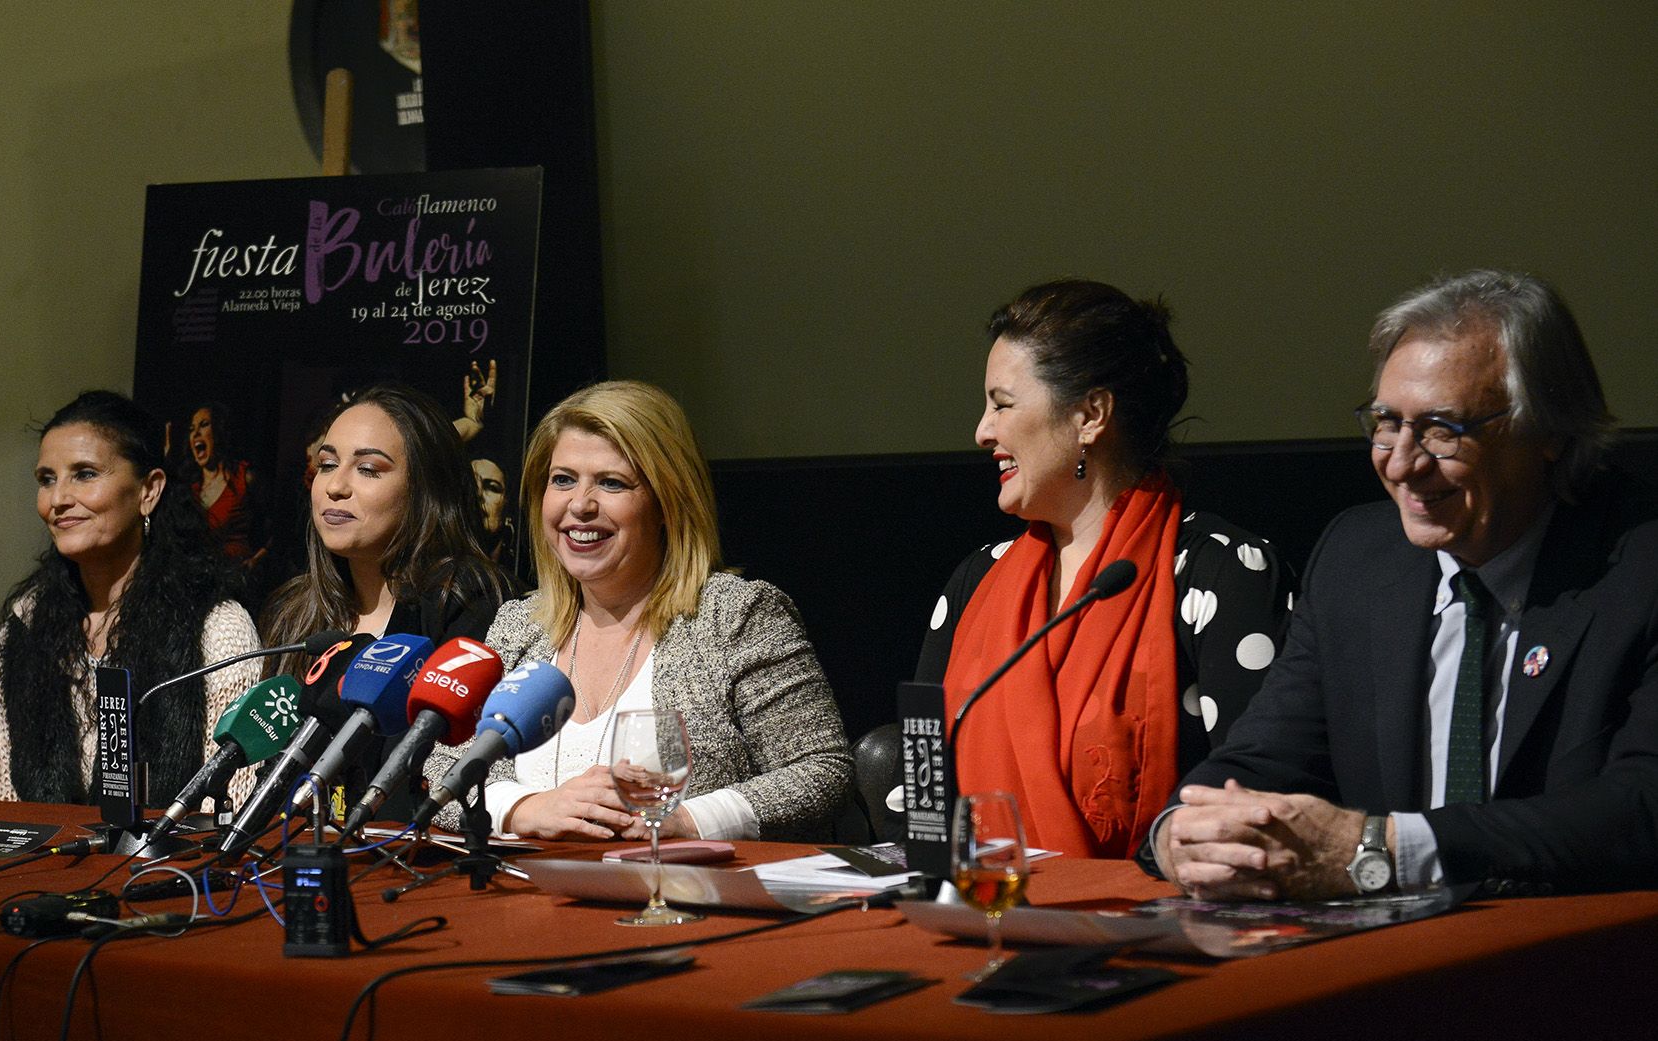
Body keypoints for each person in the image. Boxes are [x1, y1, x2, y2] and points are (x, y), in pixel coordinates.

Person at [1151, 268, 1658, 899]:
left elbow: (1640, 809)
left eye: (1443, 429)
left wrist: (1387, 848)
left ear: (1547, 430)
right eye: (1386, 422)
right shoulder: (1357, 560)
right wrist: (1183, 835)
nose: (1400, 463)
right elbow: (1264, 760)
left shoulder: (1638, 566)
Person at [918, 280, 1290, 859]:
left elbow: (1258, 799)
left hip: (1157, 925)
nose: (982, 430)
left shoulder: (1219, 572)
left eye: (1003, 403)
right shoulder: (976, 581)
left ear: (1091, 415)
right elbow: (922, 798)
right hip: (980, 912)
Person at [424, 380, 851, 842]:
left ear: (666, 501)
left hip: (681, 900)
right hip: (532, 898)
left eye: (611, 483)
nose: (580, 505)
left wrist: (686, 819)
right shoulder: (519, 626)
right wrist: (527, 810)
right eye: (562, 479)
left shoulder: (733, 615)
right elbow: (444, 768)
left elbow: (820, 770)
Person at [0, 391, 261, 806]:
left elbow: (230, 810)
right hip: (42, 868)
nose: (58, 499)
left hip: (168, 869)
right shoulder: (26, 625)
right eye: (47, 479)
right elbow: (1, 804)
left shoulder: (216, 628)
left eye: (84, 474)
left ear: (149, 490)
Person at [261, 384, 507, 811]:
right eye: (327, 464)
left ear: (425, 488)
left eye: (369, 469)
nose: (335, 486)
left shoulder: (468, 600)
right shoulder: (295, 612)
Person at [184, 401, 267, 570]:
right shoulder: (190, 489)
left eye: (204, 425)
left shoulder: (245, 478)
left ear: (219, 432)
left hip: (237, 582)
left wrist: (256, 560)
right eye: (192, 429)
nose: (196, 434)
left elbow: (276, 528)